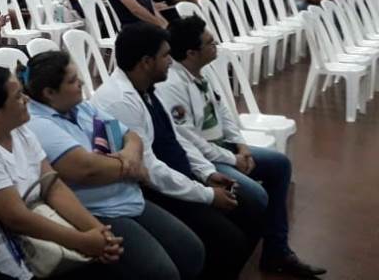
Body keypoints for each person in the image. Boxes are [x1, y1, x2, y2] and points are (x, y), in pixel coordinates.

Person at [155, 16, 324, 277]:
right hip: (204, 159)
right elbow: (190, 141)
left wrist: (242, 146)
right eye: (211, 43)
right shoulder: (171, 85)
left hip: (223, 149)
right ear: (191, 53)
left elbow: (222, 111)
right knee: (256, 196)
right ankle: (238, 253)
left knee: (279, 164)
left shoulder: (200, 72)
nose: (217, 45)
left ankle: (276, 250)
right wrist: (233, 159)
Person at [91, 23, 260, 280]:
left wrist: (206, 173)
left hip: (177, 177)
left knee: (247, 210)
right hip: (155, 190)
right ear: (147, 62)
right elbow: (151, 171)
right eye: (166, 55)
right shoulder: (120, 101)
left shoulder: (147, 89)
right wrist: (206, 194)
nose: (172, 61)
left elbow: (175, 139)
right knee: (229, 240)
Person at [24, 51, 206, 280]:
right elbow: (86, 169)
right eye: (72, 81)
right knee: (161, 273)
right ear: (49, 93)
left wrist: (128, 155)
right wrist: (134, 168)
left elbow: (131, 136)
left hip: (127, 197)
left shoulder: (80, 107)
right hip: (96, 211)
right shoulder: (38, 124)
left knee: (192, 252)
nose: (81, 82)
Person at [0, 66, 123, 280]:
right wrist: (83, 241)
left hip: (41, 235)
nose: (26, 99)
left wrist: (99, 232)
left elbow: (53, 186)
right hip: (5, 258)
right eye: (18, 97)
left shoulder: (19, 130)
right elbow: (17, 218)